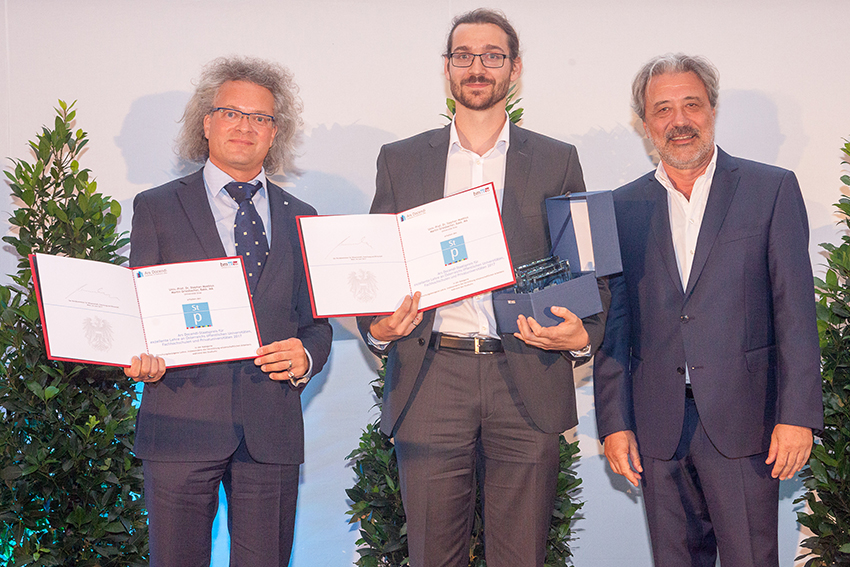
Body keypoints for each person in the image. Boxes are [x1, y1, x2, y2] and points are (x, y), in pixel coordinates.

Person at [356, 9, 609, 567]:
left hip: (525, 370)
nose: (477, 67)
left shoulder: (555, 159)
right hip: (432, 376)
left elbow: (586, 268)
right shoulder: (400, 161)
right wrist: (376, 328)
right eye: (463, 56)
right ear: (446, 69)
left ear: (514, 69)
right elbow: (377, 269)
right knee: (431, 556)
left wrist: (580, 335)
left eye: (492, 56)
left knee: (520, 556)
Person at [594, 53, 823, 566]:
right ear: (645, 123)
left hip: (747, 425)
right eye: (663, 109)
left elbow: (795, 313)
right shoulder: (620, 207)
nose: (679, 121)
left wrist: (797, 415)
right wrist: (615, 423)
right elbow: (616, 325)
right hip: (658, 427)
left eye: (691, 105)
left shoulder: (771, 189)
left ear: (712, 110)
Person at [123, 56, 332, 567]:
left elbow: (316, 324)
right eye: (231, 112)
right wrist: (138, 353)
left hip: (271, 432)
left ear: (274, 133)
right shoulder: (156, 208)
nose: (245, 126)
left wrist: (305, 355)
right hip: (179, 425)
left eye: (260, 117)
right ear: (207, 122)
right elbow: (140, 311)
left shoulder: (303, 217)